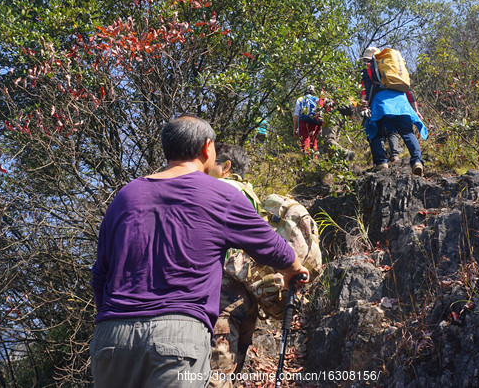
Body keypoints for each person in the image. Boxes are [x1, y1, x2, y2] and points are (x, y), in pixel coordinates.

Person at [90, 115, 309, 387]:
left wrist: (109, 320)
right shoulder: (220, 195)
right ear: (207, 148)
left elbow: (100, 274)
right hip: (177, 335)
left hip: (112, 338)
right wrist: (294, 268)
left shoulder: (126, 196)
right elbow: (269, 245)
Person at [208, 144, 263, 388]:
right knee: (231, 373)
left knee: (216, 378)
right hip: (248, 297)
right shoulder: (250, 195)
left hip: (223, 298)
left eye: (210, 164)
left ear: (226, 166)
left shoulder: (221, 190)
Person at [360, 46, 428, 175]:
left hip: (381, 105)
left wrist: (365, 105)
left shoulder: (369, 70)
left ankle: (381, 163)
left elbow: (367, 90)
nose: (366, 62)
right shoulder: (395, 71)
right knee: (408, 133)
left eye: (367, 60)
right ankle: (417, 162)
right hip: (401, 104)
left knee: (375, 133)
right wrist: (416, 110)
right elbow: (408, 91)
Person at [292, 85, 324, 154]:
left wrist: (295, 128)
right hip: (315, 123)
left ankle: (306, 160)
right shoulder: (318, 100)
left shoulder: (300, 99)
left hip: (303, 122)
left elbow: (296, 115)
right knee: (314, 142)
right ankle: (314, 160)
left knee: (305, 142)